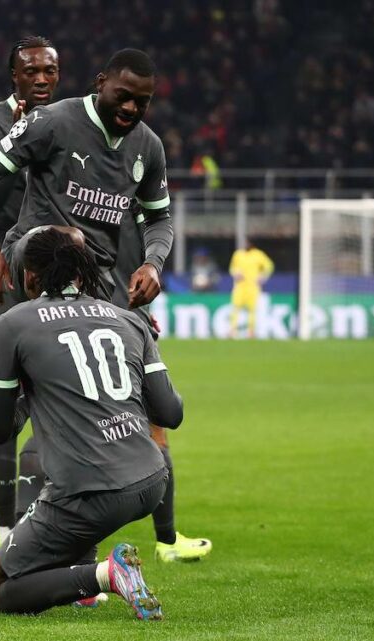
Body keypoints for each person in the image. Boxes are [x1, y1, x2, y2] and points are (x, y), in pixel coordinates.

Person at [0, 227, 183, 620]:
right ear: (79, 271)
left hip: (89, 491)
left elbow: (1, 429)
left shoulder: (12, 324)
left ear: (31, 277)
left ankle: (106, 575)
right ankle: (84, 575)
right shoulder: (129, 319)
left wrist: (27, 389)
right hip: (151, 481)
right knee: (66, 505)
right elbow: (170, 413)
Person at [0, 47, 172, 312]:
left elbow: (159, 218)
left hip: (93, 279)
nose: (130, 107)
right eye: (123, 96)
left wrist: (152, 264)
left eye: (142, 101)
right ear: (101, 82)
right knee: (71, 240)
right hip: (31, 257)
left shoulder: (149, 146)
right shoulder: (52, 121)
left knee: (142, 349)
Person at [0, 35, 59, 543]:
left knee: (50, 399)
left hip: (45, 283)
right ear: (15, 77)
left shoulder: (64, 123)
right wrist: (21, 136)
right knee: (4, 409)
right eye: (31, 72)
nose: (41, 79)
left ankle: (41, 524)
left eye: (49, 71)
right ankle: (6, 531)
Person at [113, 213, 213, 563]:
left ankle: (167, 540)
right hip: (104, 322)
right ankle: (165, 540)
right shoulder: (118, 202)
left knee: (157, 430)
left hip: (124, 319)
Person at [229, 238, 274, 338]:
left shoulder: (258, 255)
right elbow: (232, 268)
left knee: (252, 310)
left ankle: (251, 331)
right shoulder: (238, 254)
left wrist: (263, 276)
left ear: (252, 244)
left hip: (253, 287)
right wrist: (236, 273)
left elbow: (269, 266)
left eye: (247, 243)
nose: (245, 245)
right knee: (235, 308)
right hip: (239, 286)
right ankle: (232, 330)